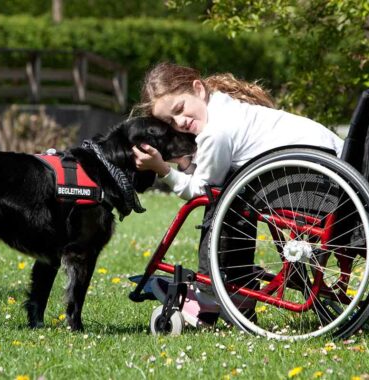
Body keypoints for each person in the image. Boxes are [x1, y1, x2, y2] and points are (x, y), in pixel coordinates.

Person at [131, 62, 343, 321]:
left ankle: (212, 290)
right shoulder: (229, 109)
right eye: (170, 121)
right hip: (331, 180)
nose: (180, 122)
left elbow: (200, 191)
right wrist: (186, 163)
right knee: (232, 189)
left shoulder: (216, 132)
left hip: (314, 188)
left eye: (179, 109)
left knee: (220, 195)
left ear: (198, 89)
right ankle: (237, 289)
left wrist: (163, 169)